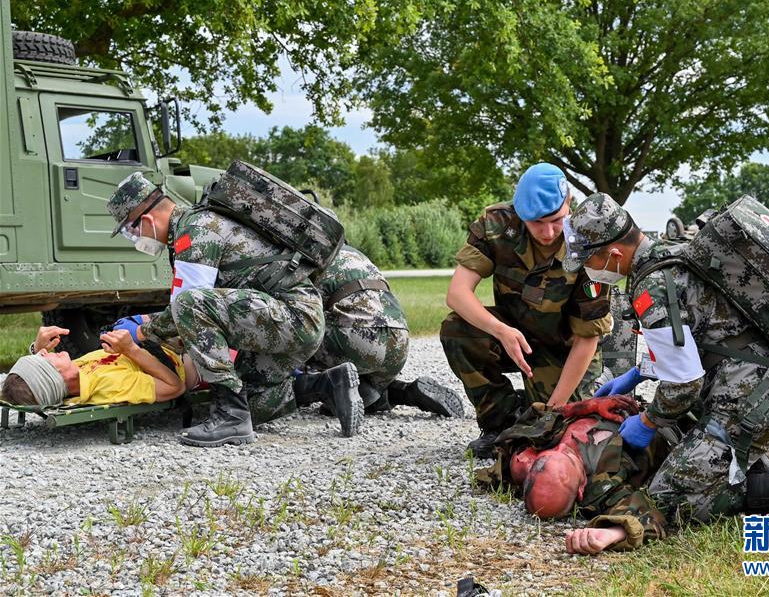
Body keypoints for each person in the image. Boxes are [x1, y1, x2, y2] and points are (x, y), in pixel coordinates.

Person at [561, 193, 769, 526]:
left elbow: (685, 383)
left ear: (614, 253)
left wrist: (647, 423)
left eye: (589, 262)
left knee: (675, 500)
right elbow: (693, 339)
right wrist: (636, 375)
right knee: (683, 439)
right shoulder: (671, 253)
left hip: (756, 401)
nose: (589, 272)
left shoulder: (652, 287)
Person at [105, 171, 361, 447]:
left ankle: (232, 418)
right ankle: (327, 385)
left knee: (188, 304)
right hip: (291, 320)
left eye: (132, 231)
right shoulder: (196, 225)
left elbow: (188, 308)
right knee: (253, 401)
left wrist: (140, 334)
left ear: (146, 220)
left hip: (291, 317)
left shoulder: (196, 230)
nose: (136, 239)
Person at [440, 163, 613, 457]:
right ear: (520, 213)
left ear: (569, 203)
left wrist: (550, 413)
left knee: (559, 435)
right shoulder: (497, 224)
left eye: (557, 220)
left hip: (568, 348)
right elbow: (457, 294)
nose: (547, 232)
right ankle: (501, 422)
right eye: (536, 223)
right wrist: (501, 331)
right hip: (516, 336)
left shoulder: (590, 241)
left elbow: (587, 339)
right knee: (457, 330)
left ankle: (586, 385)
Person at [476, 397, 667, 552]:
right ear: (581, 489)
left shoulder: (527, 455)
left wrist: (584, 406)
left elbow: (538, 415)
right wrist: (611, 535)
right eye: (569, 457)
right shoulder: (602, 487)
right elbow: (651, 521)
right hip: (667, 425)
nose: (563, 447)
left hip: (635, 404)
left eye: (556, 452)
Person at [297, 245, 465, 418]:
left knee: (298, 336)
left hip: (354, 340)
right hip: (399, 344)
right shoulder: (354, 254)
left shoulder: (305, 260)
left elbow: (302, 319)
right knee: (368, 395)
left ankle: (319, 388)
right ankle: (408, 393)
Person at [1, 326, 186, 407]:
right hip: (183, 356)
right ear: (55, 378)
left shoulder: (75, 375)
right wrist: (131, 349)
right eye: (41, 360)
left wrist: (38, 348)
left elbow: (37, 383)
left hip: (156, 342)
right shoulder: (110, 384)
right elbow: (175, 387)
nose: (40, 353)